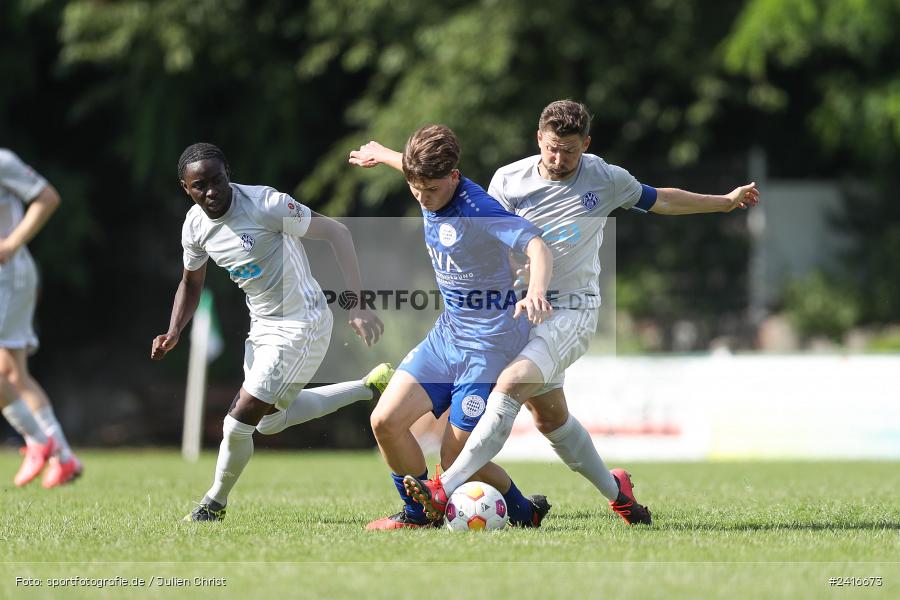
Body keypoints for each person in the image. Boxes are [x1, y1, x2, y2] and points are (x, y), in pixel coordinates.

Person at [353, 100, 759, 526]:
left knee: (510, 385)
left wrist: (724, 202)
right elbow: (454, 197)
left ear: (586, 144)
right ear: (538, 140)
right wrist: (386, 154)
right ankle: (616, 493)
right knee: (550, 418)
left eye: (569, 151)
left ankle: (442, 489)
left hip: (569, 308)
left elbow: (662, 200)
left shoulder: (606, 179)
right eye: (551, 148)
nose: (559, 158)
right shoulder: (507, 179)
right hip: (517, 310)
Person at [151, 143, 391, 521]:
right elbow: (191, 283)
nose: (211, 191)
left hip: (303, 323)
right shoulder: (195, 226)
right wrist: (174, 330)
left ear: (227, 173)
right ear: (186, 188)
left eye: (217, 180)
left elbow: (338, 232)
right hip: (262, 326)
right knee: (268, 421)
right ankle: (368, 388)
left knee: (239, 418)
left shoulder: (266, 204)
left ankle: (213, 504)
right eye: (200, 186)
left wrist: (357, 304)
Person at [348, 125, 555, 529]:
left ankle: (524, 511)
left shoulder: (477, 209)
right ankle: (417, 515)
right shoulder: (424, 179)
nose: (423, 197)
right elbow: (413, 169)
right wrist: (384, 154)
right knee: (384, 421)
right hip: (447, 337)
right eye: (416, 188)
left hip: (488, 347)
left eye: (432, 189)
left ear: (454, 177)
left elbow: (537, 245)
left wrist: (535, 290)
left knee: (454, 458)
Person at [0, 148, 83, 488]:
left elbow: (47, 197)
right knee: (14, 375)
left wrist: (10, 244)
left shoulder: (2, 161)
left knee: (8, 374)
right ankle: (63, 458)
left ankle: (38, 441)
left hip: (8, 275)